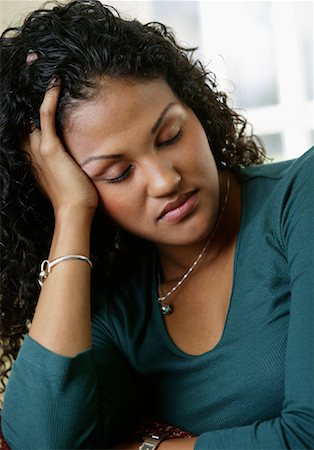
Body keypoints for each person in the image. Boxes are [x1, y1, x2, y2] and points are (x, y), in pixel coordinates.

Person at [0, 1, 313, 449]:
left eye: (171, 136)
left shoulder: (299, 197)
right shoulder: (114, 300)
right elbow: (40, 440)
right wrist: (71, 213)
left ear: (196, 110)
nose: (166, 180)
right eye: (118, 174)